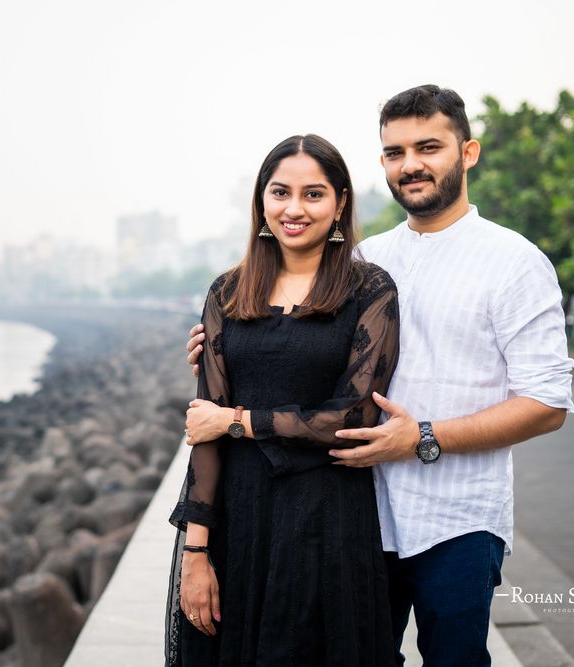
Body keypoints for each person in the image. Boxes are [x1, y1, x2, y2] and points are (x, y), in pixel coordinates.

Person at [185, 85, 574, 666]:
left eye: (428, 147)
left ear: (467, 153)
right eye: (395, 152)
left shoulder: (514, 261)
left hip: (456, 517)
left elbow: (547, 403)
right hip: (358, 513)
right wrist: (224, 344)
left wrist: (423, 436)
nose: (410, 164)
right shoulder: (367, 260)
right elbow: (292, 341)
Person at [166, 134, 399, 666]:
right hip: (238, 521)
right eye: (280, 193)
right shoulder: (227, 291)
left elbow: (356, 414)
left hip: (329, 519)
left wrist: (239, 422)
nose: (294, 209)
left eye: (313, 194)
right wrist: (196, 552)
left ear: (340, 202)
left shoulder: (369, 290)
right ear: (261, 202)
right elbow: (205, 426)